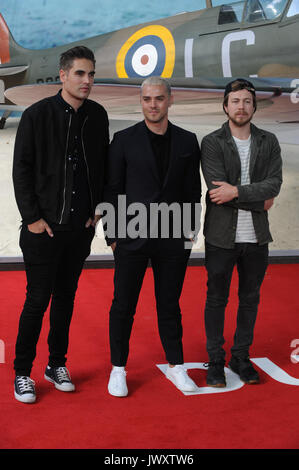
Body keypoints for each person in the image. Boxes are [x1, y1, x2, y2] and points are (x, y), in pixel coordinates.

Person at [12, 45, 109, 403]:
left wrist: (98, 210)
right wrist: (33, 219)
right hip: (42, 230)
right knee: (36, 300)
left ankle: (56, 364)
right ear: (63, 75)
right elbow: (20, 170)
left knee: (65, 299)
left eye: (92, 74)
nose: (87, 81)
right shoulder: (36, 115)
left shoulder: (98, 116)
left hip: (78, 230)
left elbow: (104, 165)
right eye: (80, 74)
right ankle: (22, 372)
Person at [103, 76, 201, 397]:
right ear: (141, 101)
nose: (153, 104)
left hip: (173, 238)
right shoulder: (123, 140)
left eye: (159, 98)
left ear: (170, 100)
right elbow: (112, 189)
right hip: (131, 236)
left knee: (169, 304)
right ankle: (118, 368)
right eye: (147, 99)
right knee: (123, 305)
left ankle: (176, 366)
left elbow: (192, 193)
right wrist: (113, 237)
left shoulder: (188, 142)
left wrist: (189, 235)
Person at [201, 78, 282, 387]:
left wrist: (235, 192)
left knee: (250, 299)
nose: (241, 106)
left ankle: (240, 356)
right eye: (235, 101)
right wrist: (256, 199)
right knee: (216, 299)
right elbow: (216, 189)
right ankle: (216, 360)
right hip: (221, 237)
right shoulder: (211, 142)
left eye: (247, 101)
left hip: (257, 238)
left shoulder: (269, 141)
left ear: (253, 106)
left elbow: (273, 185)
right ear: (226, 106)